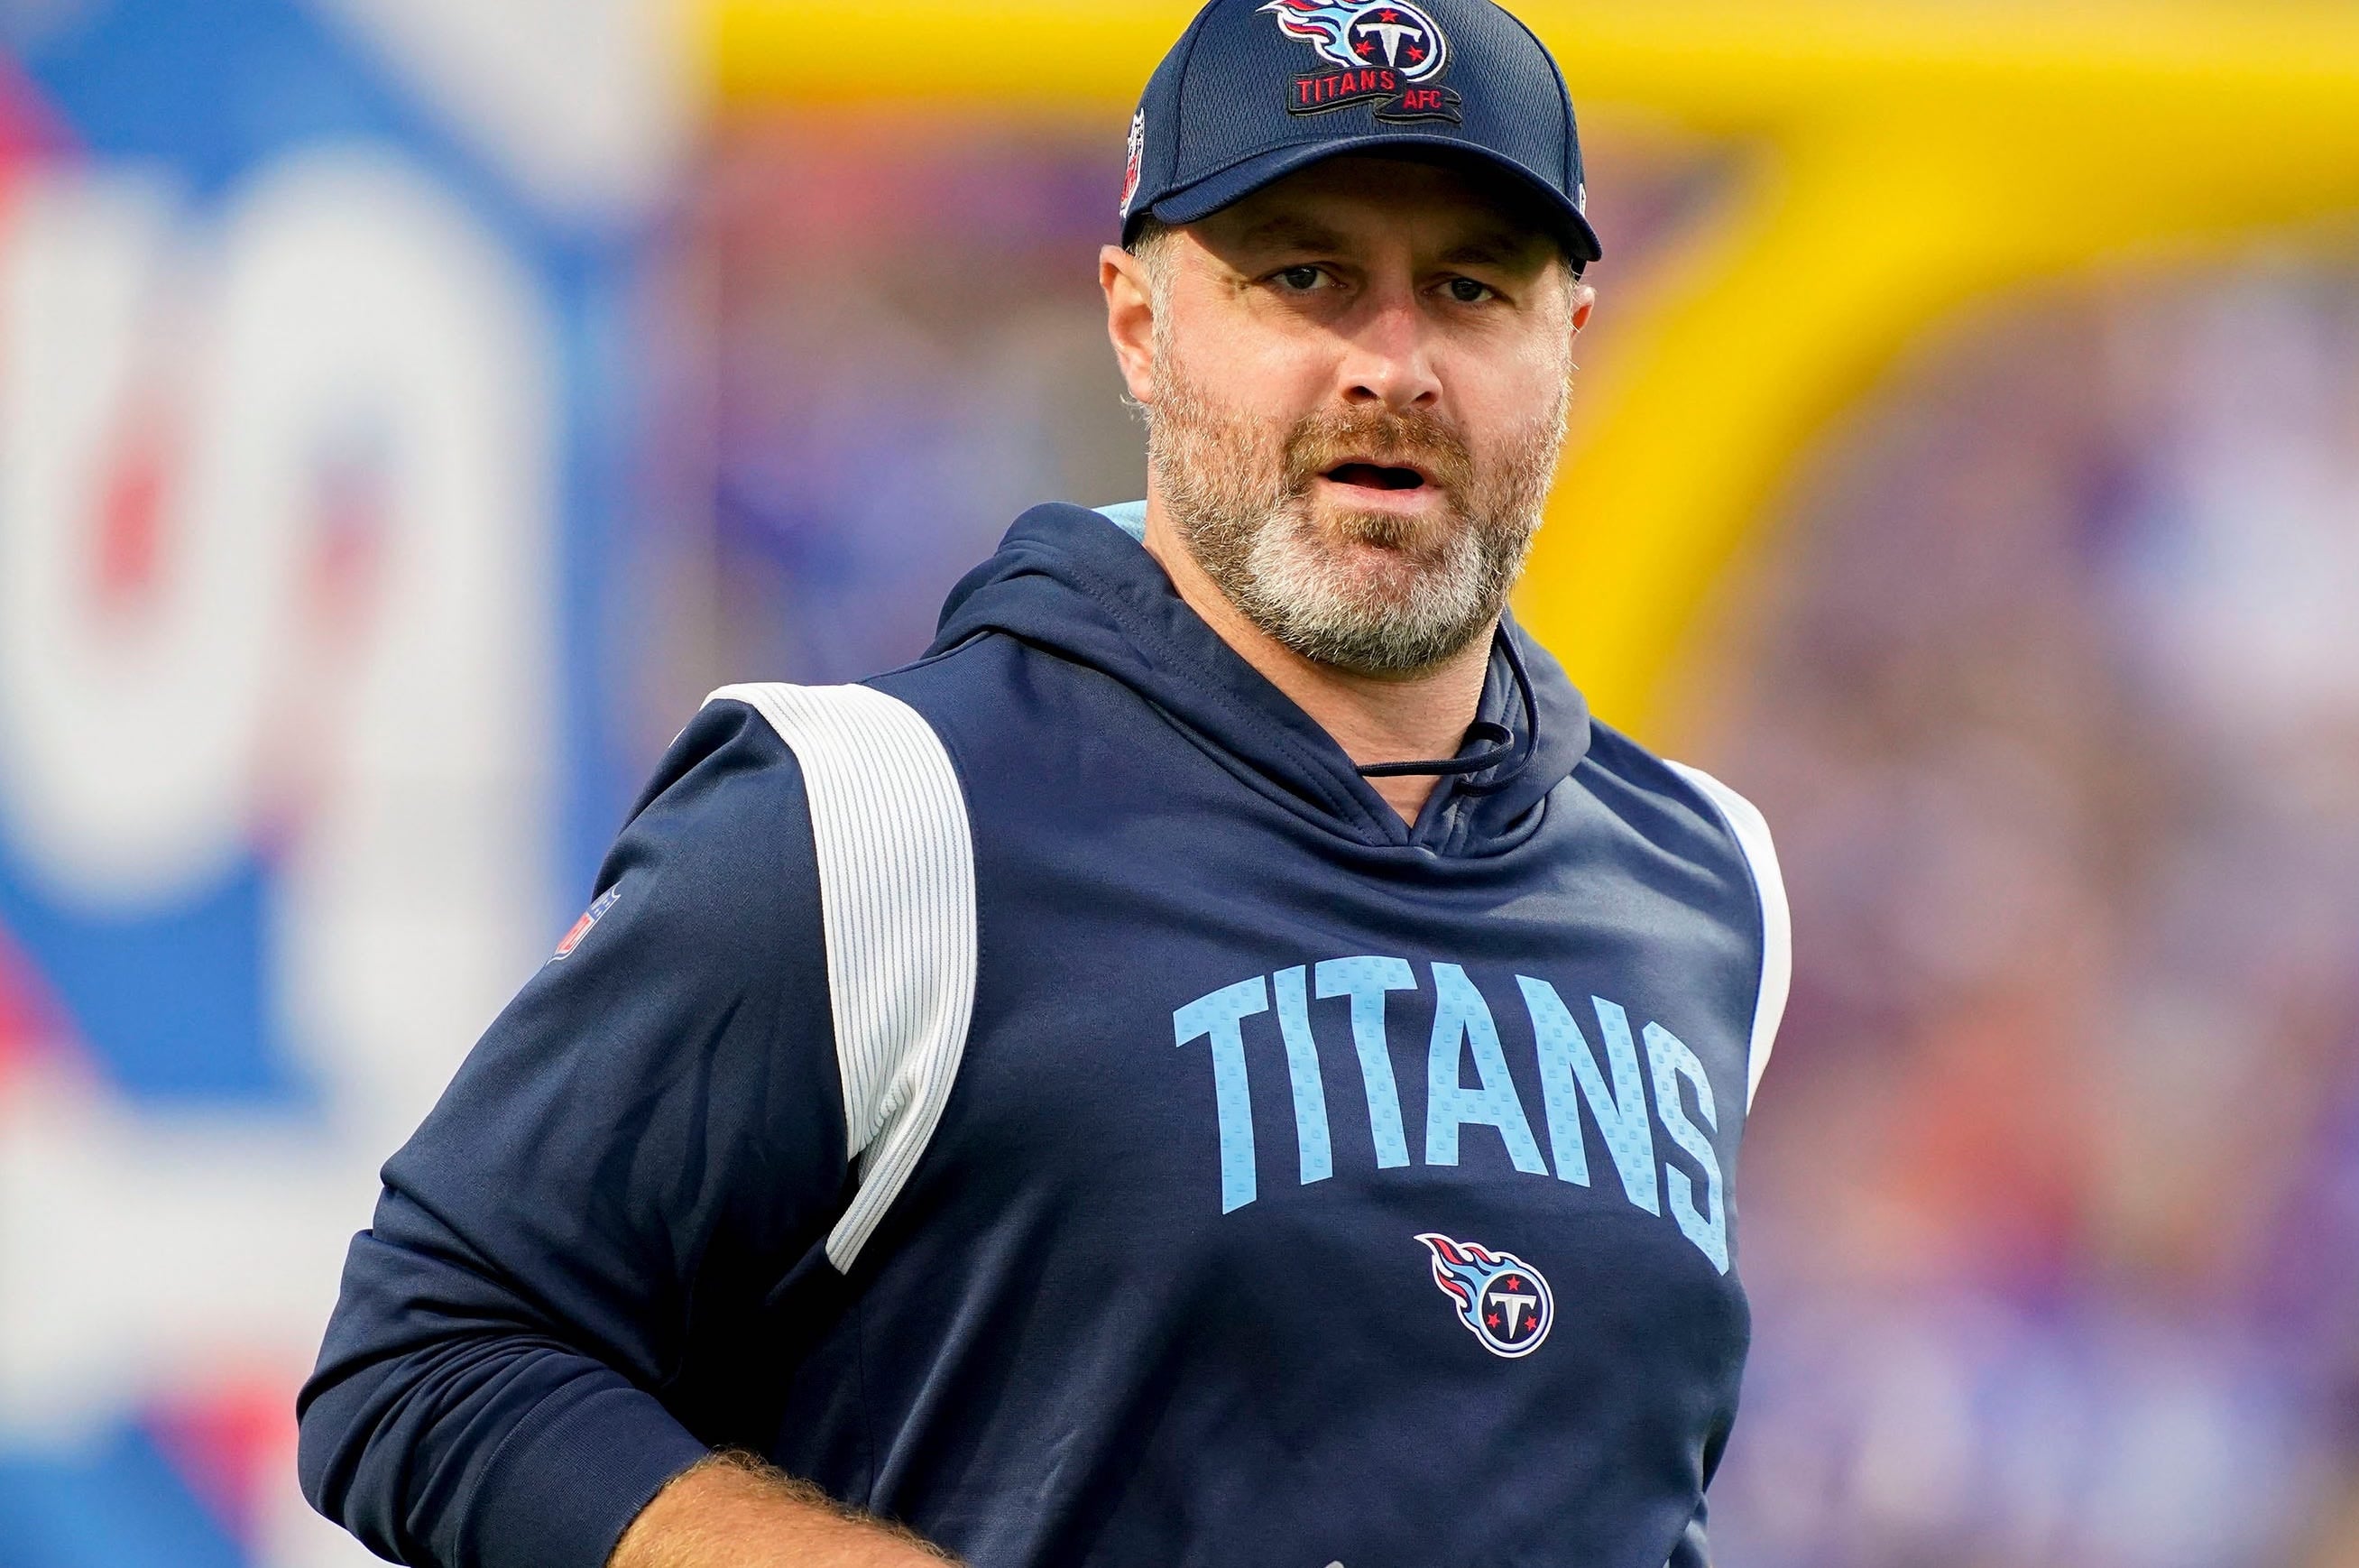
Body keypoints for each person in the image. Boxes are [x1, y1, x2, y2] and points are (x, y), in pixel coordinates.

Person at [296, 0, 1791, 1563]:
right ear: (1139, 324)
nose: (1391, 363)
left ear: (1567, 338)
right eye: (1305, 275)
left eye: (1470, 287)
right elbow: (429, 1356)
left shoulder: (1704, 877)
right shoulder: (873, 819)